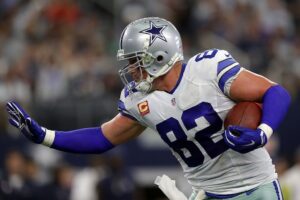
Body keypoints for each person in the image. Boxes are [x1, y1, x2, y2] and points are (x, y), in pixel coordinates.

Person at [6, 17, 290, 200]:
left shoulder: (208, 70)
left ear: (158, 55)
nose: (130, 69)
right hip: (207, 193)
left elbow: (275, 92)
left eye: (135, 60)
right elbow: (103, 138)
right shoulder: (140, 100)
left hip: (254, 189)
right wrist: (45, 136)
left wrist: (263, 133)